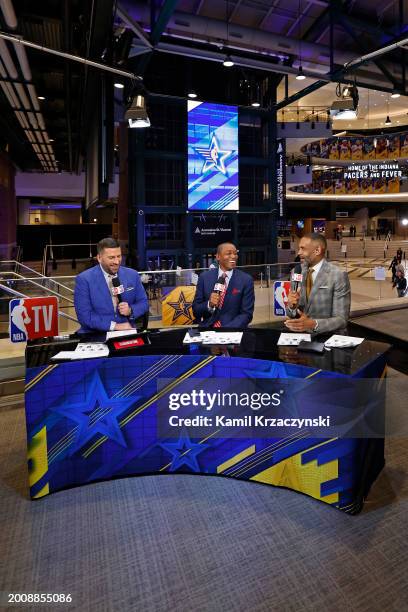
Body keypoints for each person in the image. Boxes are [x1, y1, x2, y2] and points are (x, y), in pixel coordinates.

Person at [74, 237, 149, 333]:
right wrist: (115, 326)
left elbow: (143, 303)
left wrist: (130, 310)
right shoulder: (84, 279)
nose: (117, 262)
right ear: (99, 258)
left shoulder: (132, 275)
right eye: (111, 258)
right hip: (96, 333)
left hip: (127, 329)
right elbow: (85, 316)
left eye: (119, 256)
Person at [285, 232, 351, 334]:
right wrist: (291, 307)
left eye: (303, 248)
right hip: (302, 337)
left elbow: (341, 320)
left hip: (327, 338)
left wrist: (313, 324)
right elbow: (292, 314)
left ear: (317, 250)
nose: (299, 253)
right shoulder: (296, 271)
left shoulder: (338, 275)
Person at [192, 242, 254, 328]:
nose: (233, 256)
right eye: (228, 253)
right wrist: (209, 304)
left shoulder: (246, 280)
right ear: (218, 257)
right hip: (208, 330)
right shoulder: (204, 277)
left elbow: (247, 314)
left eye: (235, 253)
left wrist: (225, 330)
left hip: (233, 331)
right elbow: (196, 311)